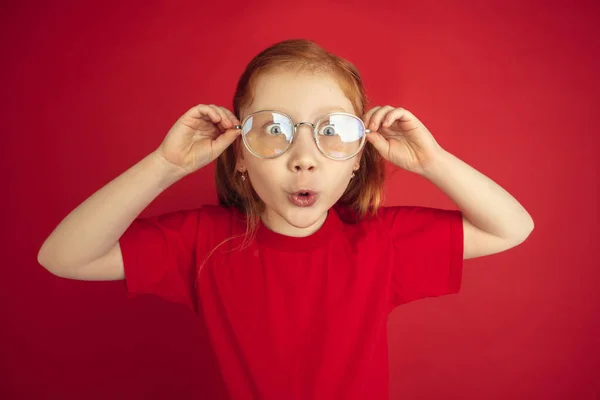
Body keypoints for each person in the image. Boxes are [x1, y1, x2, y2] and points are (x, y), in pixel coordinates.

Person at [37, 39, 534, 399]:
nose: (304, 157)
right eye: (273, 129)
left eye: (332, 130)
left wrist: (432, 161)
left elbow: (512, 227)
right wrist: (164, 165)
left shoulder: (382, 243)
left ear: (358, 155)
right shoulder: (200, 242)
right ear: (239, 155)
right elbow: (64, 257)